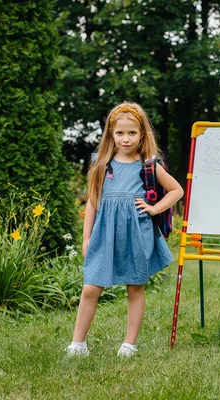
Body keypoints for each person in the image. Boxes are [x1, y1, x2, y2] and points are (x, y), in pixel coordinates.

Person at [66, 102, 184, 357]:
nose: (126, 138)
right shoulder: (101, 164)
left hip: (136, 234)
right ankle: (78, 344)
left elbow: (177, 190)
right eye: (120, 133)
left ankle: (129, 344)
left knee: (135, 287)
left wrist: (154, 209)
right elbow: (92, 202)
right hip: (104, 234)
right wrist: (86, 238)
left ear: (142, 134)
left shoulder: (149, 166)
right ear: (111, 133)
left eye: (132, 133)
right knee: (91, 287)